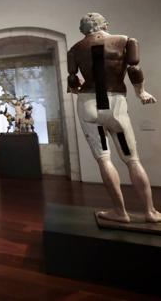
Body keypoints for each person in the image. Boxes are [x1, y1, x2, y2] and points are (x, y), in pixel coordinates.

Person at [68, 12, 161, 223]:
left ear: (83, 29)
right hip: (116, 104)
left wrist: (75, 87)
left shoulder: (75, 49)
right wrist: (141, 93)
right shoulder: (124, 41)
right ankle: (150, 211)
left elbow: (73, 79)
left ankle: (120, 212)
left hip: (89, 104)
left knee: (104, 159)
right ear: (104, 25)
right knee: (132, 160)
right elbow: (134, 67)